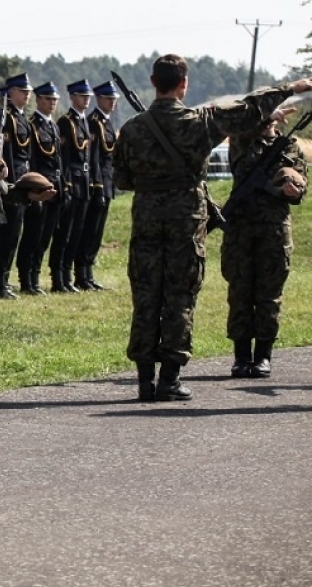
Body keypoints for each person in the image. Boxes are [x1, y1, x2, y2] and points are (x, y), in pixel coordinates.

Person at [117, 57, 311, 400]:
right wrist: (290, 88)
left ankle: (145, 380)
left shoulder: (133, 128)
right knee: (179, 297)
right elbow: (249, 109)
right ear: (184, 84)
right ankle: (170, 379)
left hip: (146, 219)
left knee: (146, 297)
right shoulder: (200, 122)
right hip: (187, 222)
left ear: (153, 81)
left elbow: (122, 178)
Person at [222, 111, 307, 378]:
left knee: (269, 295)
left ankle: (263, 356)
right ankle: (241, 356)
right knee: (240, 293)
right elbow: (235, 135)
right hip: (240, 229)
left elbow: (301, 183)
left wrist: (292, 189)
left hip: (274, 230)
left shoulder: (291, 146)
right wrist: (259, 117)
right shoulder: (241, 141)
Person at [0, 74, 33, 299]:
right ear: (10, 93)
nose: (26, 94)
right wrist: (12, 184)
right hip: (11, 184)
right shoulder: (5, 120)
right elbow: (6, 156)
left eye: (28, 91)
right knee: (6, 236)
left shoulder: (23, 119)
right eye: (22, 91)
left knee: (15, 235)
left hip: (22, 182)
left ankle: (3, 279)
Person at [18, 82, 63, 295]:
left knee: (45, 235)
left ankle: (35, 275)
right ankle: (26, 278)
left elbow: (57, 159)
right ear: (39, 100)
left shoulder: (53, 126)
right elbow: (32, 159)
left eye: (55, 100)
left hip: (54, 186)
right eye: (48, 99)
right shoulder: (32, 125)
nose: (52, 103)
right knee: (32, 234)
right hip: (39, 187)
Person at [49, 80, 94, 292]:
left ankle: (69, 275)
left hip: (83, 181)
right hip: (72, 181)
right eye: (82, 96)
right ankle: (58, 277)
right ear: (72, 97)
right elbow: (64, 158)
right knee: (64, 233)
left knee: (77, 231)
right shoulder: (66, 122)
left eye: (88, 97)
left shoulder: (84, 121)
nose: (86, 100)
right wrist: (65, 184)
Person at [78, 81, 119, 291]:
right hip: (97, 183)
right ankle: (82, 274)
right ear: (99, 99)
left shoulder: (107, 122)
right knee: (90, 230)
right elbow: (93, 158)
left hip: (108, 181)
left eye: (114, 99)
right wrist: (97, 185)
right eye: (108, 99)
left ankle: (89, 272)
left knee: (98, 231)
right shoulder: (94, 122)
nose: (112, 103)